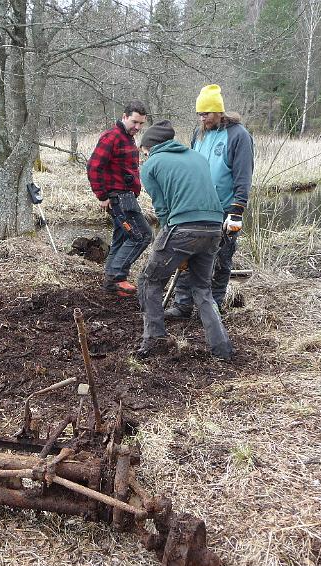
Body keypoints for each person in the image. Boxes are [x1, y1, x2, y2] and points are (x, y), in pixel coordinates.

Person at [134, 120, 234, 360]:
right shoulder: (197, 157)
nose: (143, 154)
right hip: (214, 228)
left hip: (183, 228)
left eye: (143, 150)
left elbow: (163, 211)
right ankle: (222, 350)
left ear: (150, 147)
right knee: (202, 289)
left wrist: (171, 248)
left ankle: (154, 340)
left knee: (149, 280)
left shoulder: (151, 165)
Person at [165, 84, 254, 319]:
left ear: (218, 111)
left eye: (206, 114)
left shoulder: (238, 135)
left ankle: (212, 307)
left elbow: (243, 176)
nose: (202, 118)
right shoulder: (199, 134)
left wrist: (237, 210)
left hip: (224, 209)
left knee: (221, 260)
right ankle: (182, 305)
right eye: (200, 114)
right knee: (186, 256)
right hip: (196, 206)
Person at [87, 100, 154, 297]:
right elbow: (93, 167)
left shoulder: (128, 138)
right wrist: (102, 195)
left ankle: (111, 283)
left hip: (128, 196)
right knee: (142, 235)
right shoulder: (112, 137)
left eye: (141, 123)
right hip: (118, 199)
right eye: (134, 122)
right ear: (124, 117)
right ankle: (117, 277)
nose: (138, 127)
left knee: (122, 236)